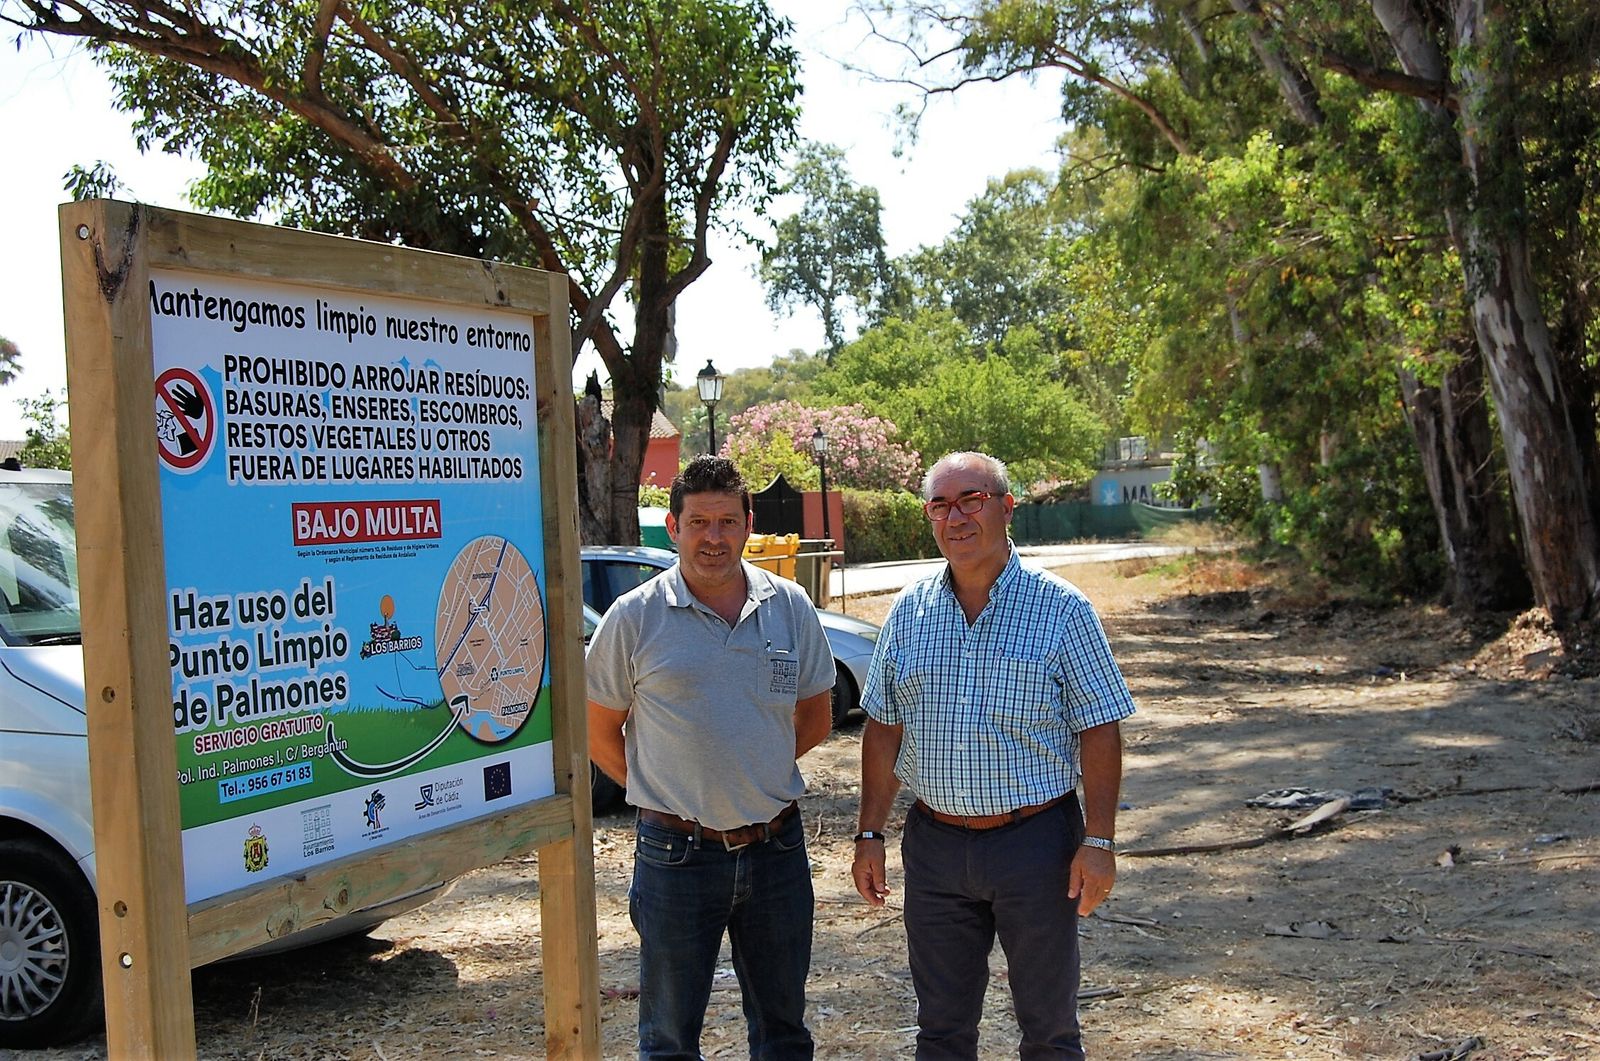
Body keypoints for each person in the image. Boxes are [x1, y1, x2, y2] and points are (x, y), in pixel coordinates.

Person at [850, 451, 1136, 1060]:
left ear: (1007, 507)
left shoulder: (1063, 610)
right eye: (940, 505)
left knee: (1049, 1029)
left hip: (1036, 846)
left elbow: (1100, 729)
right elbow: (882, 728)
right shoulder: (909, 611)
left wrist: (1101, 841)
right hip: (935, 849)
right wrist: (868, 833)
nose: (956, 517)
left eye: (971, 500)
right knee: (942, 1031)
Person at [587, 455, 834, 1060]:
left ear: (748, 524)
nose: (713, 537)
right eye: (698, 522)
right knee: (669, 1039)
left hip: (777, 850)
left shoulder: (791, 606)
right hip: (676, 857)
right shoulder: (633, 618)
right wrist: (662, 788)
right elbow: (598, 733)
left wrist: (751, 765)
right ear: (673, 528)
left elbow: (817, 716)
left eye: (726, 521)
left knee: (783, 1033)